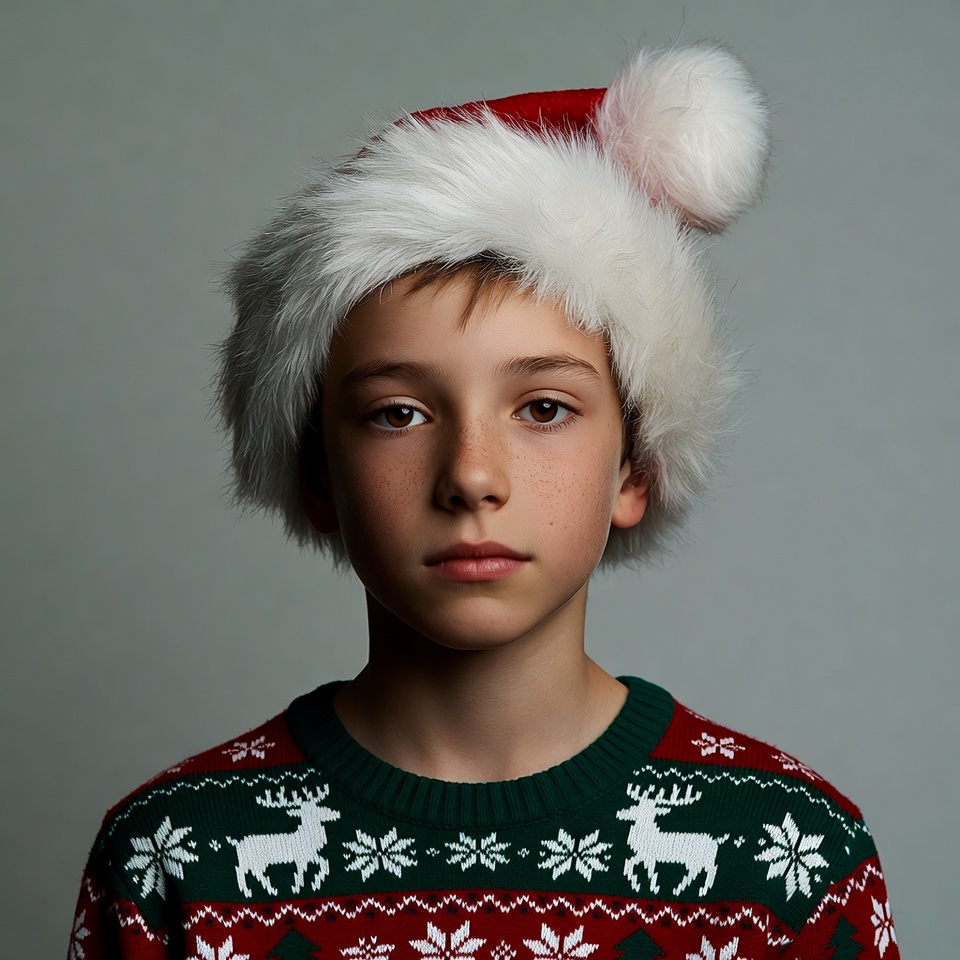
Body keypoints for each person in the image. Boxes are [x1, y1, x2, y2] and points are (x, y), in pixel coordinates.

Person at [68, 42, 899, 959]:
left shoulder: (787, 861)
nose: (471, 476)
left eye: (544, 408)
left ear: (635, 468)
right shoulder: (173, 865)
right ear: (315, 478)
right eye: (398, 413)